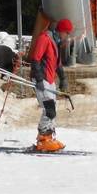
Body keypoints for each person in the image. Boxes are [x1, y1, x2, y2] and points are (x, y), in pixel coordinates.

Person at [29, 17, 72, 152]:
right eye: (67, 33)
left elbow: (57, 64)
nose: (67, 36)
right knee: (49, 109)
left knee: (53, 110)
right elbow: (35, 59)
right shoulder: (45, 38)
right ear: (61, 31)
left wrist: (63, 79)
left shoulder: (55, 41)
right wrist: (39, 80)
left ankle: (49, 137)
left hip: (49, 80)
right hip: (41, 79)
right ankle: (43, 139)